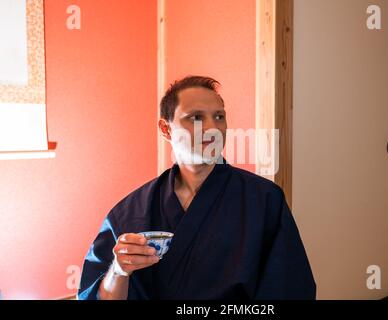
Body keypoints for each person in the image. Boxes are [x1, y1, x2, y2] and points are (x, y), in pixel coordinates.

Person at [78, 75, 316, 300]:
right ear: (165, 129)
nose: (213, 128)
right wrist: (119, 270)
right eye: (196, 118)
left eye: (219, 117)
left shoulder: (264, 200)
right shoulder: (130, 212)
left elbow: (290, 287)